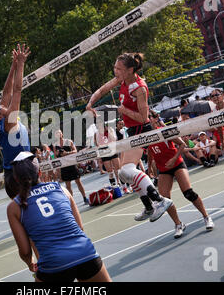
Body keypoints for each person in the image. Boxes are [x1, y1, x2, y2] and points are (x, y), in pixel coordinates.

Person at [86, 52, 172, 222]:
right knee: (124, 175)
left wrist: (122, 110)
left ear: (130, 69)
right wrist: (90, 103)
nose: (115, 71)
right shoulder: (122, 80)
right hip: (132, 130)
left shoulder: (140, 88)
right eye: (115, 68)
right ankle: (148, 206)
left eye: (119, 68)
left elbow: (143, 117)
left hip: (141, 128)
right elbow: (103, 89)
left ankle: (160, 200)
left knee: (126, 170)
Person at [7, 151, 112, 282]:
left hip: (54, 265)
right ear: (40, 173)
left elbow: (25, 251)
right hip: (85, 253)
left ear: (16, 179)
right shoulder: (62, 189)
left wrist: (30, 263)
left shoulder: (14, 207)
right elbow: (80, 228)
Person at [147, 110, 214, 238]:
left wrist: (174, 158)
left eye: (149, 117)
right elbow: (150, 152)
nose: (148, 120)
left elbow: (182, 144)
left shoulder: (164, 131)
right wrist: (149, 167)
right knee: (164, 200)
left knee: (188, 193)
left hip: (177, 164)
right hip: (164, 169)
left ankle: (206, 217)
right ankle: (178, 224)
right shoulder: (146, 137)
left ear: (155, 119)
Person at [0, 44, 31, 199]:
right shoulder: (9, 122)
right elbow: (16, 90)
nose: (2, 103)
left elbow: (6, 91)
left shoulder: (3, 122)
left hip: (12, 174)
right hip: (19, 174)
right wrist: (22, 63)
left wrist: (13, 65)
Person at [53, 129, 89, 205]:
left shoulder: (69, 141)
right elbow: (56, 157)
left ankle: (85, 197)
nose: (58, 135)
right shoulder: (55, 145)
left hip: (72, 164)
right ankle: (72, 202)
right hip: (64, 166)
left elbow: (75, 151)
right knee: (68, 185)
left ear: (62, 134)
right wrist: (59, 154)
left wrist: (67, 153)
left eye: (59, 133)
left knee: (78, 182)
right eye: (56, 134)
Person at [94, 121, 121, 188]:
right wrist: (99, 157)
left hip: (112, 150)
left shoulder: (110, 129)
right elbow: (97, 145)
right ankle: (114, 186)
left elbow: (114, 139)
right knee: (110, 171)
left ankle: (121, 183)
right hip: (104, 153)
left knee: (118, 169)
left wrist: (108, 132)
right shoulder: (96, 134)